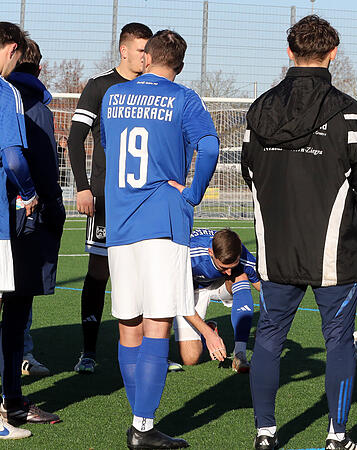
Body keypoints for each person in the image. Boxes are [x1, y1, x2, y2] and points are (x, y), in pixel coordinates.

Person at [242, 15, 357, 450]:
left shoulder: (259, 108)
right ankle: (337, 437)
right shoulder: (350, 111)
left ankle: (266, 432)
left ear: (289, 52)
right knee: (337, 340)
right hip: (333, 249)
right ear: (333, 54)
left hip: (277, 247)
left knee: (268, 337)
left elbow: (249, 173)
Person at [100, 29, 223, 449]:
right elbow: (209, 148)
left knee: (128, 327)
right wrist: (191, 194)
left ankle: (139, 423)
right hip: (161, 221)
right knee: (157, 324)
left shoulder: (112, 96)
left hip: (118, 224)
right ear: (180, 65)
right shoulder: (184, 98)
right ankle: (144, 428)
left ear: (147, 57)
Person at [68, 22, 153, 374]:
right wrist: (83, 187)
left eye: (150, 51)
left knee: (146, 272)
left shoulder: (153, 89)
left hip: (145, 198)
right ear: (124, 50)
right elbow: (74, 140)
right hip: (106, 196)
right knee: (99, 270)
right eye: (141, 50)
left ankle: (150, 352)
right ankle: (88, 351)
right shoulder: (100, 86)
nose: (147, 57)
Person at [0, 25, 50, 440]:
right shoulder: (7, 93)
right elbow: (14, 158)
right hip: (3, 224)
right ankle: (6, 411)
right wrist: (31, 193)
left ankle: (11, 403)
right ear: (13, 50)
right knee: (10, 314)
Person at [173, 227, 260, 373]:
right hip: (187, 292)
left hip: (218, 285)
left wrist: (267, 320)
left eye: (232, 266)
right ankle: (210, 329)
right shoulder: (189, 254)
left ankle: (240, 355)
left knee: (240, 276)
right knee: (191, 358)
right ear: (210, 252)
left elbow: (263, 288)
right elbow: (179, 299)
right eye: (223, 267)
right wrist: (208, 333)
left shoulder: (242, 255)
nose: (228, 272)